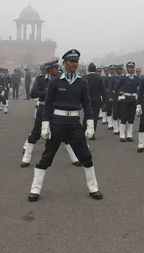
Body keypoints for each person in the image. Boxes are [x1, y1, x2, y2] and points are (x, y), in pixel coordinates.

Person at [28, 49, 102, 201]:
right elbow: (47, 105)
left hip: (74, 124)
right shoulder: (55, 82)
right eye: (72, 61)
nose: (75, 64)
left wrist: (89, 124)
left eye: (76, 61)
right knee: (47, 156)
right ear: (65, 63)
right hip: (57, 122)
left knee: (86, 156)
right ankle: (35, 189)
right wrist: (45, 125)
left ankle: (93, 187)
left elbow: (87, 105)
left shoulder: (82, 82)